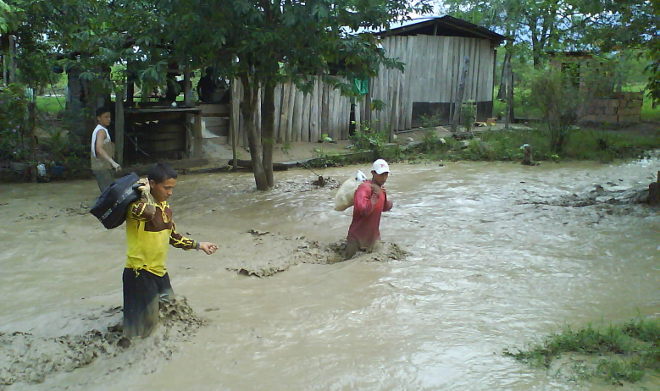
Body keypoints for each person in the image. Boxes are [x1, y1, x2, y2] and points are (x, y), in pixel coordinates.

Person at [123, 162, 218, 337]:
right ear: (152, 184)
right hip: (139, 273)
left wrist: (199, 245)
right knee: (144, 328)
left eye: (172, 188)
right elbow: (148, 213)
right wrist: (144, 192)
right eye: (166, 188)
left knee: (170, 310)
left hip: (159, 272)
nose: (170, 193)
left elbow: (173, 237)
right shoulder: (135, 207)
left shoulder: (166, 208)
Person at [345, 159, 394, 259]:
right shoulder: (364, 188)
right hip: (357, 238)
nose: (384, 178)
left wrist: (389, 203)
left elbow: (383, 207)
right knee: (348, 265)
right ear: (373, 173)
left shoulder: (381, 189)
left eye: (386, 174)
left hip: (373, 238)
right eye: (381, 174)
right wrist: (375, 194)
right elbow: (363, 211)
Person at [90, 107, 121, 191]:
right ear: (99, 118)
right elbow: (99, 148)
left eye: (109, 117)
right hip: (102, 167)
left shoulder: (100, 130)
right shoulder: (101, 131)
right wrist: (113, 162)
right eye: (106, 117)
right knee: (108, 193)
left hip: (102, 167)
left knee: (109, 192)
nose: (109, 119)